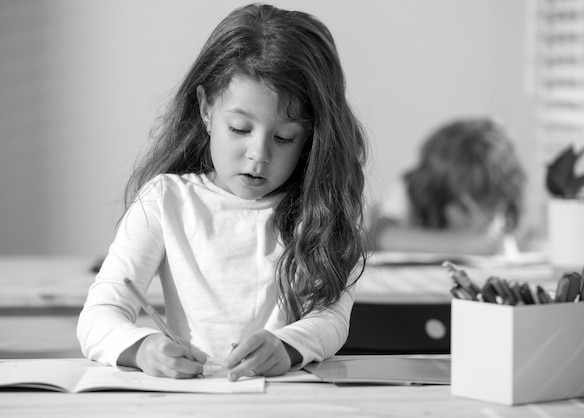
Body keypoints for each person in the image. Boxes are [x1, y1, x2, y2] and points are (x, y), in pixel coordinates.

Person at [77, 3, 367, 382]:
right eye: (240, 129)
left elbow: (330, 319)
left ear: (311, 137)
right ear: (206, 110)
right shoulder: (166, 201)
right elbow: (98, 316)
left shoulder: (319, 212)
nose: (258, 155)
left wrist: (288, 347)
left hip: (290, 401)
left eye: (284, 137)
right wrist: (144, 348)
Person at [374, 117, 526, 255]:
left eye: (490, 205)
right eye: (462, 209)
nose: (478, 219)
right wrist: (463, 244)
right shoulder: (411, 186)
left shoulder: (504, 203)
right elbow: (382, 236)